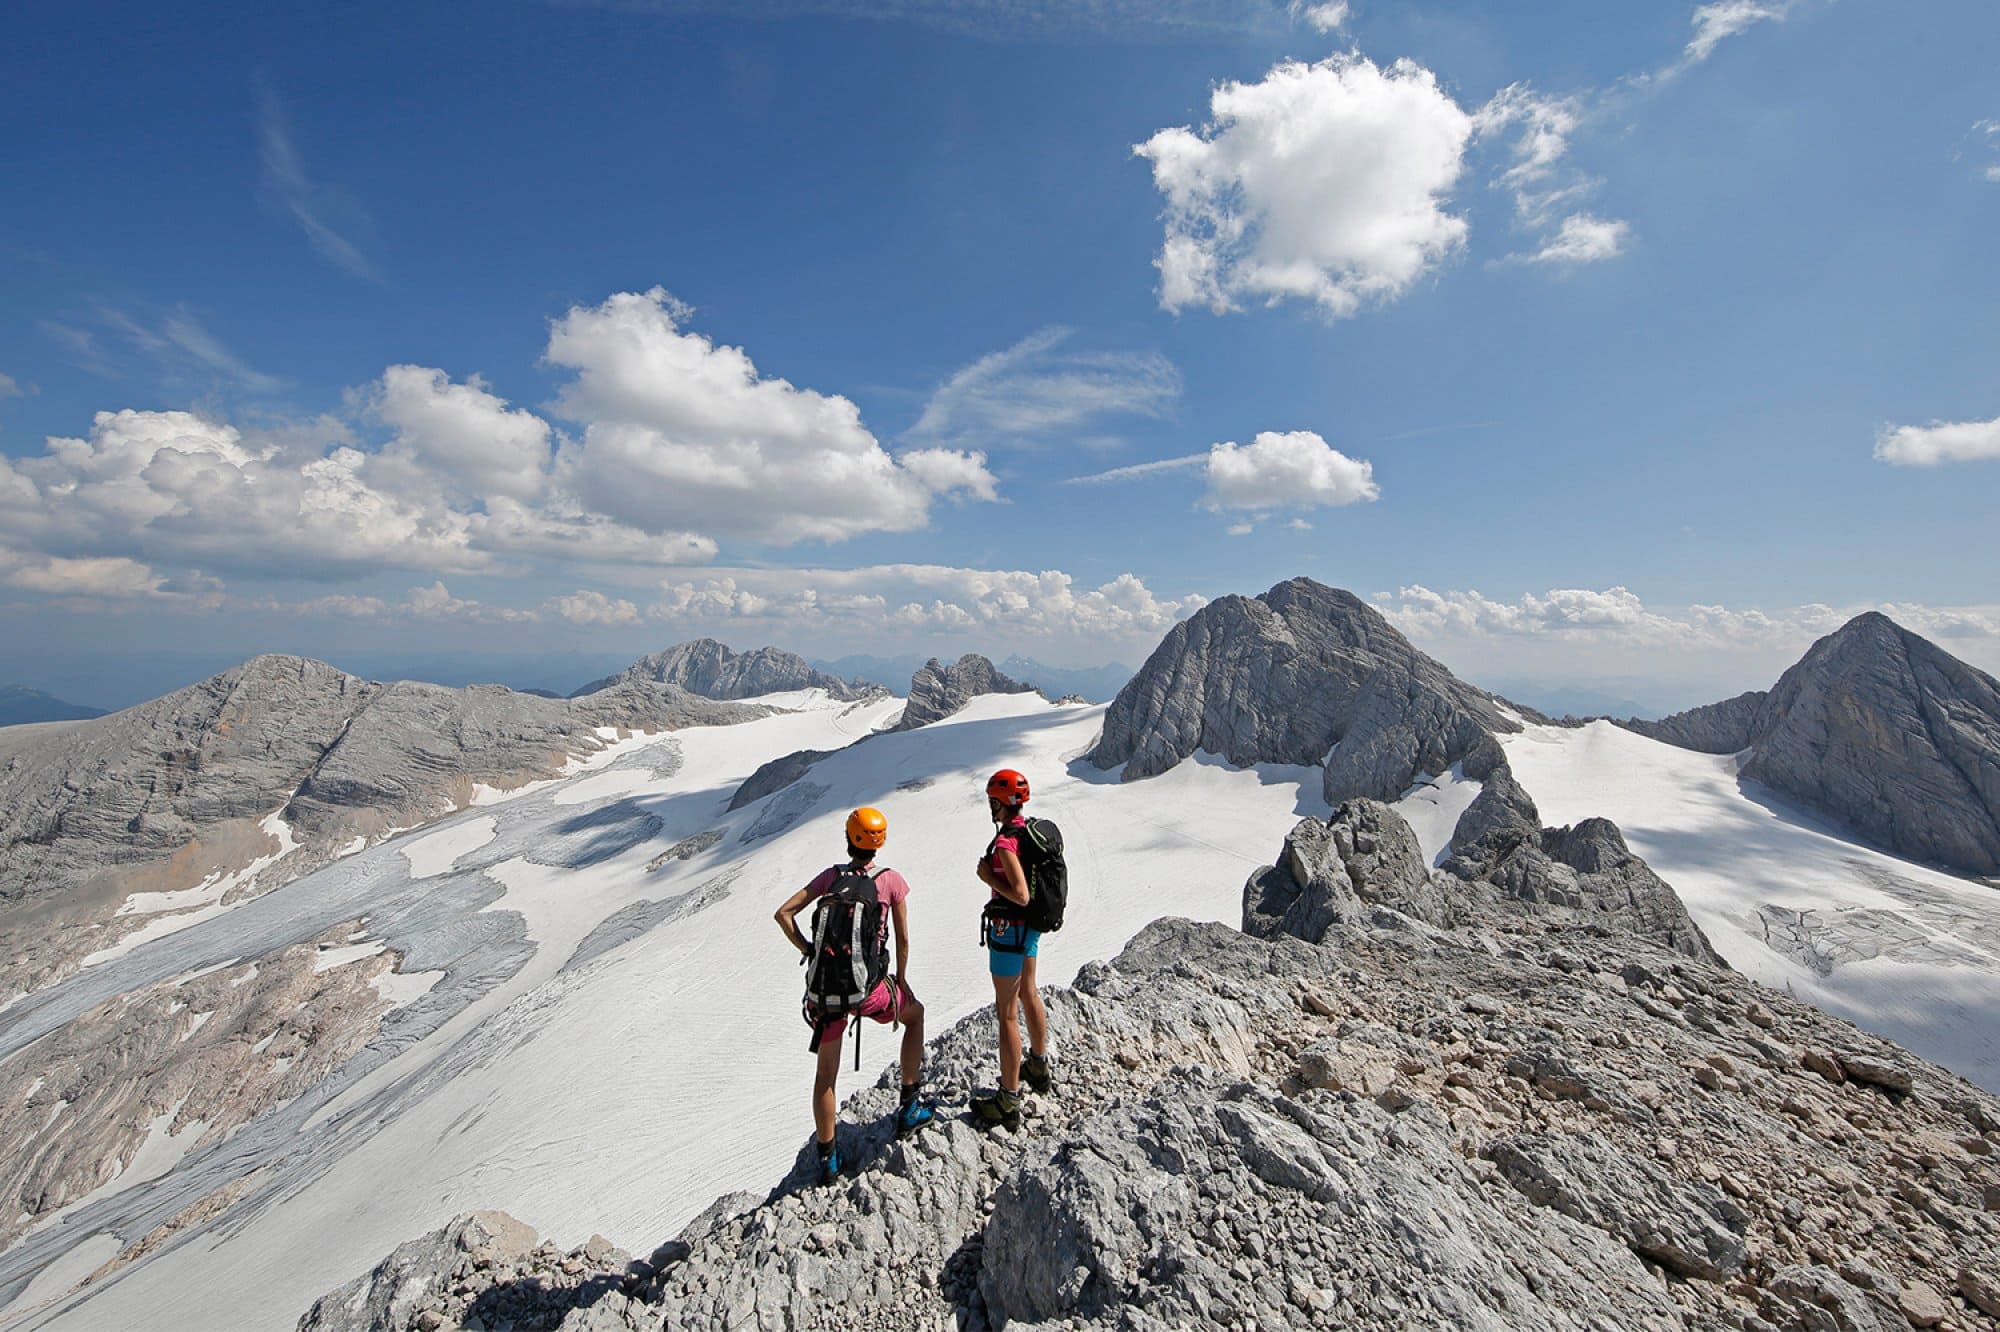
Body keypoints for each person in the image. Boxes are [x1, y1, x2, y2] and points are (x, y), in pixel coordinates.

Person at [774, 806, 933, 1184]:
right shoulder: (891, 881)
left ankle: (828, 1160)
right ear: (880, 843)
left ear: (849, 839)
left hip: (826, 993)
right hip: (869, 991)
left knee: (825, 1075)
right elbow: (904, 939)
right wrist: (902, 980)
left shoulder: (831, 877)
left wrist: (809, 951)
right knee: (916, 1016)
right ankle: (909, 1107)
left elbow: (783, 914)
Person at [970, 768, 1052, 1130]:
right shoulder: (1027, 830)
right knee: (1029, 992)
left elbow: (1020, 894)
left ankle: (1008, 1098)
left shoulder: (1006, 843)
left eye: (992, 801)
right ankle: (1038, 1064)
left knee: (1005, 1014)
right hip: (1030, 929)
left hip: (1009, 932)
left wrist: (989, 878)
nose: (991, 807)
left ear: (1000, 803)